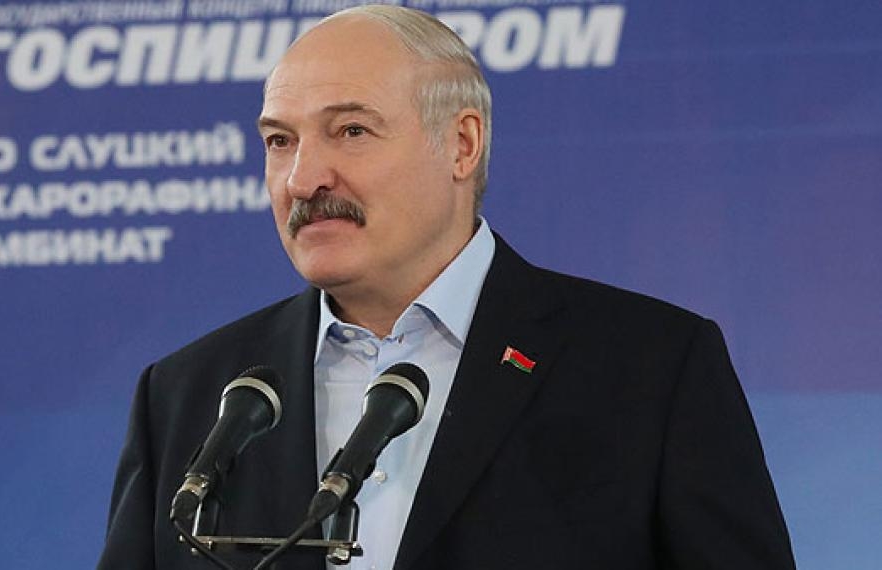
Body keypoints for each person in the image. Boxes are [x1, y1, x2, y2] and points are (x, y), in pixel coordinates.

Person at [97, 5, 795, 569]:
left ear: (461, 145)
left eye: (350, 130)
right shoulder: (186, 396)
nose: (302, 179)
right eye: (280, 141)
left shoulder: (650, 369)